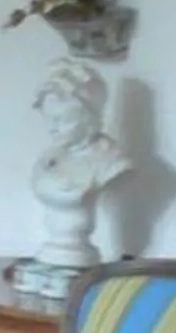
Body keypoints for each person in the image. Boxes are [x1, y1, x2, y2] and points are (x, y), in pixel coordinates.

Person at [26, 58, 128, 276]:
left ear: (89, 118)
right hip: (52, 253)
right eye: (49, 119)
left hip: (79, 255)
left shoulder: (109, 158)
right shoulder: (50, 156)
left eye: (63, 120)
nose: (53, 128)